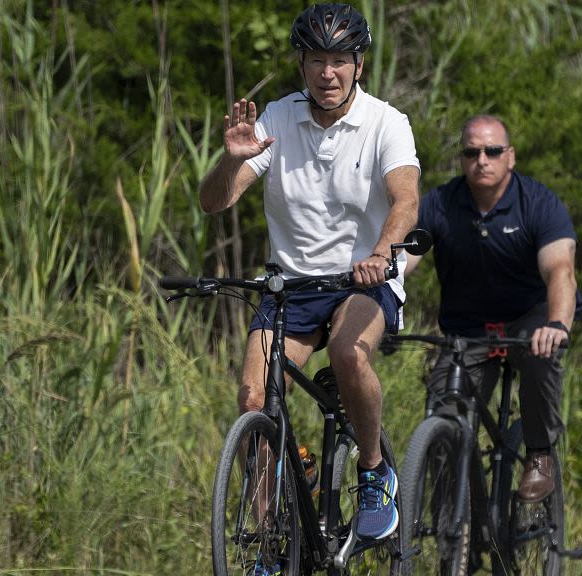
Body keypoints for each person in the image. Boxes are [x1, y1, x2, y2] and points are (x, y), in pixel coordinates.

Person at [199, 2, 420, 553]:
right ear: (303, 65)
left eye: (340, 60)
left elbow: (406, 199)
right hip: (291, 285)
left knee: (349, 354)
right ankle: (273, 542)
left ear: (358, 66)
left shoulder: (386, 123)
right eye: (317, 60)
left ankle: (372, 473)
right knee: (255, 400)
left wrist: (382, 250)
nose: (328, 73)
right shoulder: (276, 119)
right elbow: (213, 203)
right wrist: (231, 160)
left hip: (359, 284)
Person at [411, 114, 579, 503]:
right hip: (468, 328)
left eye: (492, 151)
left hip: (529, 320)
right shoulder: (440, 203)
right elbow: (404, 259)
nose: (481, 160)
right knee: (442, 413)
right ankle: (458, 529)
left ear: (511, 156)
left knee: (542, 357)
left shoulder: (538, 203)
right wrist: (381, 295)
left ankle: (538, 454)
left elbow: (560, 271)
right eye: (471, 152)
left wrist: (555, 324)